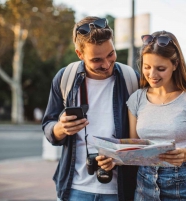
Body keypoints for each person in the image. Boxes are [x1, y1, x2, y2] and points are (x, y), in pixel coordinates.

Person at [98, 31, 186, 200]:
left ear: (175, 64)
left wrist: (184, 154)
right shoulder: (136, 98)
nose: (152, 75)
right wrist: (114, 159)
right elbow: (136, 149)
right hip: (145, 185)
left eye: (160, 69)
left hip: (183, 186)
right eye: (147, 67)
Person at [42, 16, 139, 201]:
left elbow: (141, 136)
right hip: (74, 189)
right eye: (96, 59)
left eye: (110, 54)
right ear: (80, 54)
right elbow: (48, 125)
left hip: (119, 191)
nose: (107, 64)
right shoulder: (65, 77)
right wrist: (60, 129)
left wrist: (119, 156)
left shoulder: (131, 78)